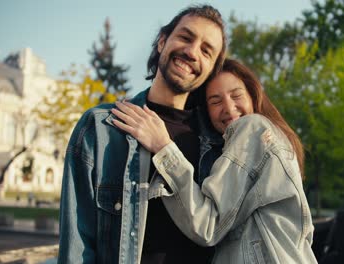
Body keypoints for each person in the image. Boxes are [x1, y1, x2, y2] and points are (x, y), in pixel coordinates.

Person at [58, 4, 227, 264]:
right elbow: (77, 249)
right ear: (162, 41)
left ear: (211, 71)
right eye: (185, 37)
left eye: (206, 51)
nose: (192, 52)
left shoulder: (219, 144)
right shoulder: (101, 129)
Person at [112, 58, 318, 263]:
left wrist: (163, 148)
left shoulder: (253, 128)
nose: (229, 108)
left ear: (254, 97)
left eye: (236, 96)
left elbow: (208, 224)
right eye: (216, 101)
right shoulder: (271, 138)